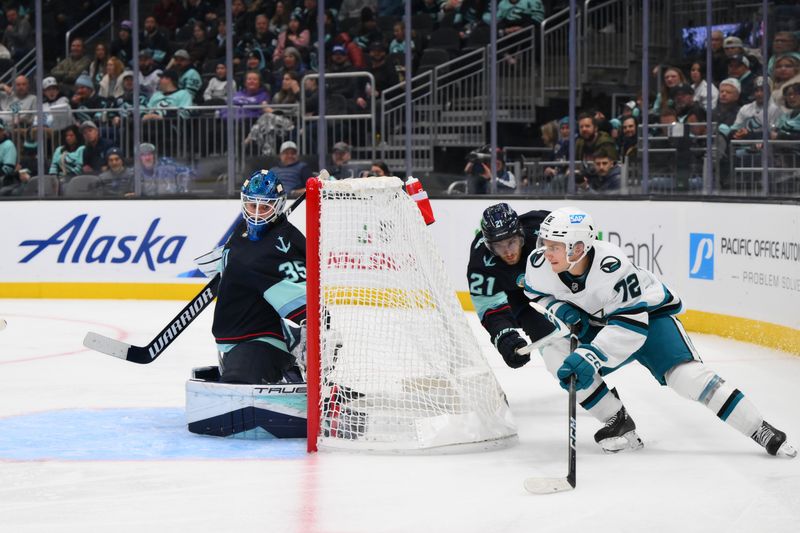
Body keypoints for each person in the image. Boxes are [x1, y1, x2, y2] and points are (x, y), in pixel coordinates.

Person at [524, 206, 797, 457]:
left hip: (649, 319)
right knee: (554, 353)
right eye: (545, 244)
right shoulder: (540, 265)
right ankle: (615, 419)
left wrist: (591, 356)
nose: (546, 253)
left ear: (579, 248)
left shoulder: (613, 266)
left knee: (687, 378)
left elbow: (630, 327)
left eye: (555, 247)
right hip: (600, 324)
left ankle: (758, 428)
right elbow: (536, 294)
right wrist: (561, 310)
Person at [210, 169, 306, 384]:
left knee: (234, 391)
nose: (256, 213)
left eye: (265, 207)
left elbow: (304, 302)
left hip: (265, 340)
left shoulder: (283, 243)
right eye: (253, 205)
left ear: (278, 206)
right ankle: (289, 373)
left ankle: (287, 369)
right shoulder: (243, 231)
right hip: (240, 337)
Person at [467, 203, 554, 372]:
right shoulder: (481, 261)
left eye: (512, 242)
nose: (508, 252)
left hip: (559, 284)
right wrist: (504, 337)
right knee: (551, 342)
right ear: (489, 246)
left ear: (521, 233)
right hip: (521, 299)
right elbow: (489, 308)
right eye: (498, 246)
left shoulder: (541, 226)